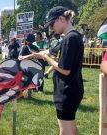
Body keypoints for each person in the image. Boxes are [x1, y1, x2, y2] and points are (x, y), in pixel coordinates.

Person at [33, 6, 84, 135]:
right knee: (71, 129)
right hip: (71, 89)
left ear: (61, 19)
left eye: (52, 24)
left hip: (67, 91)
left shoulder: (69, 39)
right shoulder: (73, 36)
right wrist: (29, 56)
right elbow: (49, 51)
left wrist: (46, 59)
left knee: (66, 131)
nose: (51, 28)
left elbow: (64, 69)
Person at [18, 34, 42, 98]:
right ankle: (29, 95)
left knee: (23, 80)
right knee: (30, 80)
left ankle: (20, 94)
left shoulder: (24, 47)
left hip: (24, 66)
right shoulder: (36, 48)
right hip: (33, 66)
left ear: (27, 40)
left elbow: (20, 57)